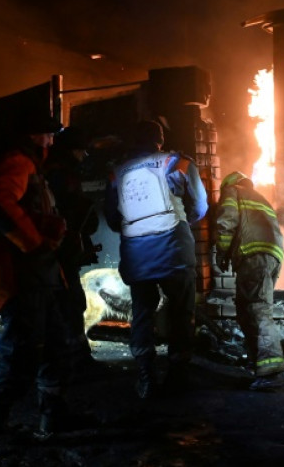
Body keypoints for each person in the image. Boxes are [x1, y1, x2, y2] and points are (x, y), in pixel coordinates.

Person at [0, 112, 86, 443]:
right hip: (22, 276)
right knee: (22, 352)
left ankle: (55, 417)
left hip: (41, 275)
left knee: (56, 348)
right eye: (47, 135)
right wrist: (34, 243)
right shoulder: (16, 161)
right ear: (33, 135)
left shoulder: (31, 167)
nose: (51, 142)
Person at [104, 119, 208, 399]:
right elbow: (200, 208)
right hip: (175, 248)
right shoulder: (178, 163)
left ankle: (146, 377)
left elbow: (113, 219)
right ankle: (178, 376)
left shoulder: (117, 173)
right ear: (159, 139)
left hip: (137, 254)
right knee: (181, 312)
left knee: (142, 313)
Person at [213, 171, 284, 391]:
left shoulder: (232, 191)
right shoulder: (259, 198)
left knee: (257, 310)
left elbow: (226, 222)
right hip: (272, 257)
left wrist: (221, 252)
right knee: (247, 310)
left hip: (253, 255)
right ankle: (259, 365)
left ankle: (270, 371)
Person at [44, 125, 101, 374]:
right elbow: (66, 211)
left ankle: (72, 357)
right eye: (82, 151)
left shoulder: (57, 171)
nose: (84, 157)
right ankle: (74, 361)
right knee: (70, 301)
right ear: (72, 150)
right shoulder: (60, 174)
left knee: (70, 301)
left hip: (62, 247)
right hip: (60, 249)